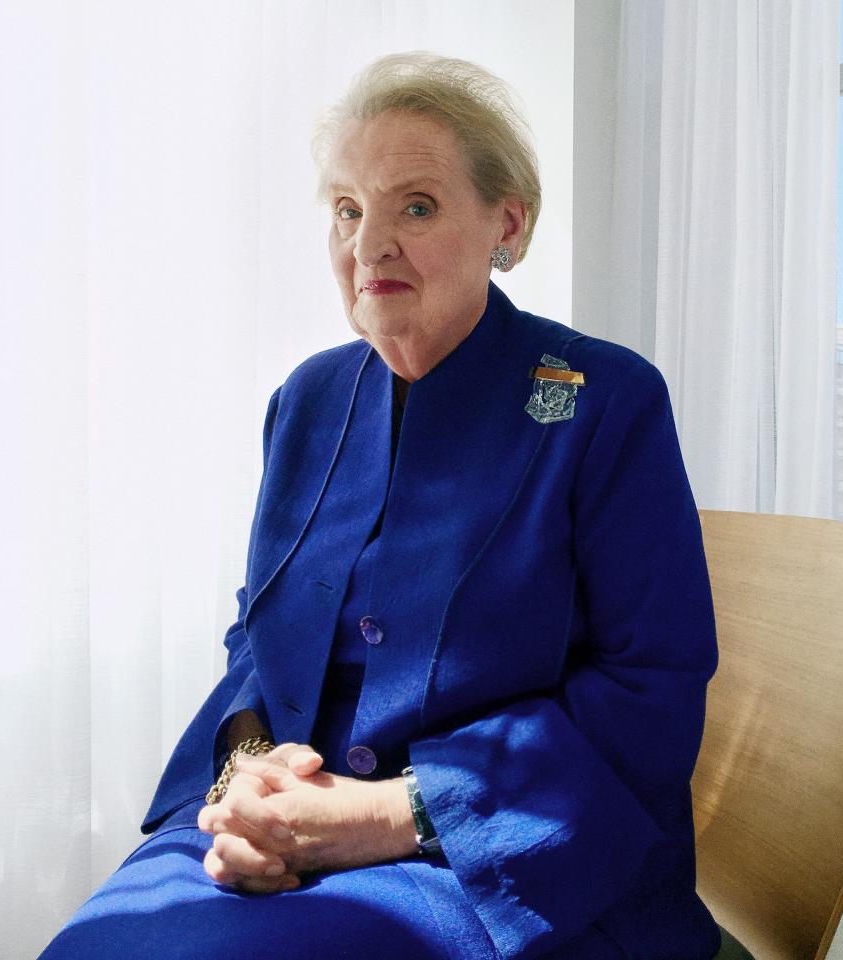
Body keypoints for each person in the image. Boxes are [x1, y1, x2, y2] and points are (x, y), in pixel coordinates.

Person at [38, 51, 729, 960]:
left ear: (506, 224)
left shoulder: (603, 400)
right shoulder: (306, 400)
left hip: (500, 866)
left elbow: (651, 688)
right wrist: (252, 785)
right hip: (294, 825)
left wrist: (382, 815)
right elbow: (260, 639)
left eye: (416, 205)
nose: (368, 247)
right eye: (347, 210)